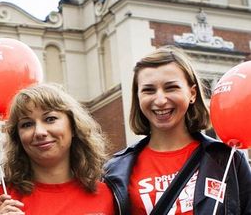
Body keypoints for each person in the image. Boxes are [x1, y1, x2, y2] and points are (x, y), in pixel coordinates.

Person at [103, 46, 251, 214]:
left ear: (192, 93)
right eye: (148, 90)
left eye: (171, 87)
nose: (160, 100)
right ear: (138, 97)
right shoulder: (115, 170)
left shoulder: (227, 160)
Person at [0, 83, 115, 215]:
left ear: (73, 126)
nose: (39, 132)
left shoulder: (109, 195)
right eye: (27, 124)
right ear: (18, 137)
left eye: (50, 119)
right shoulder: (1, 199)